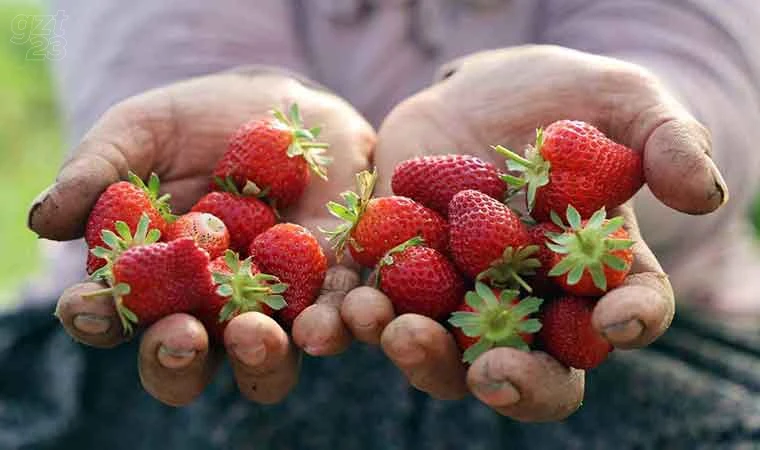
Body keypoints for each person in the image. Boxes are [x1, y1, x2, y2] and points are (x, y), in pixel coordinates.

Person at [4, 0, 760, 448]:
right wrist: (232, 127)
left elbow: (702, 69)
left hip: (645, 329)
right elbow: (160, 48)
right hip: (167, 328)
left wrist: (600, 167)